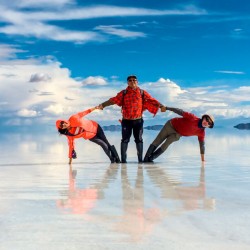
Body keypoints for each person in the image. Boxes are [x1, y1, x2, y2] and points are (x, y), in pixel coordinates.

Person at [98, 75, 166, 163]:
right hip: (126, 121)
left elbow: (152, 100)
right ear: (128, 82)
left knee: (139, 139)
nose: (132, 81)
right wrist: (102, 105)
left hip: (138, 121)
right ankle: (123, 161)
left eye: (134, 80)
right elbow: (113, 100)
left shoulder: (142, 92)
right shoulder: (124, 93)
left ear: (137, 82)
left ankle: (140, 161)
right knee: (125, 140)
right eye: (130, 80)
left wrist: (161, 106)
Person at [144, 107, 215, 162]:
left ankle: (150, 159)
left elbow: (202, 145)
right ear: (203, 118)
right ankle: (145, 159)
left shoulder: (201, 133)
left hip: (177, 134)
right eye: (207, 120)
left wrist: (202, 159)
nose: (206, 123)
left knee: (166, 144)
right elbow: (179, 111)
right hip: (170, 125)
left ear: (209, 126)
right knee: (158, 140)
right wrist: (167, 108)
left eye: (209, 123)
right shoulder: (192, 118)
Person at [56, 107, 120, 164]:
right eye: (61, 126)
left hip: (96, 127)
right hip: (91, 136)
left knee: (107, 143)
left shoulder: (73, 118)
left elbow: (84, 113)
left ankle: (117, 158)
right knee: (103, 144)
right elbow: (71, 146)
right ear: (61, 129)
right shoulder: (69, 134)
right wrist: (70, 161)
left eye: (62, 122)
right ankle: (112, 159)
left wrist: (95, 108)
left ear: (63, 120)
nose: (63, 124)